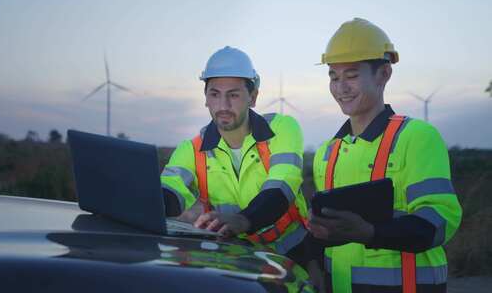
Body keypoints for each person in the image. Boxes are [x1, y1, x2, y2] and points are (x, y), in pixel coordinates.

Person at [308, 18, 462, 293]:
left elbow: (440, 220)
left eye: (352, 75)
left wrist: (370, 233)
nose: (341, 87)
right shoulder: (326, 153)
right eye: (333, 76)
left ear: (384, 74)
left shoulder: (416, 137)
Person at [160, 46, 314, 268]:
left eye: (233, 95)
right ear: (205, 98)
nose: (223, 105)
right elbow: (168, 194)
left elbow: (281, 188)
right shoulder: (191, 150)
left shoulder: (282, 129)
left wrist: (242, 220)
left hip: (293, 256)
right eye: (214, 94)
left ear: (253, 97)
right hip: (235, 259)